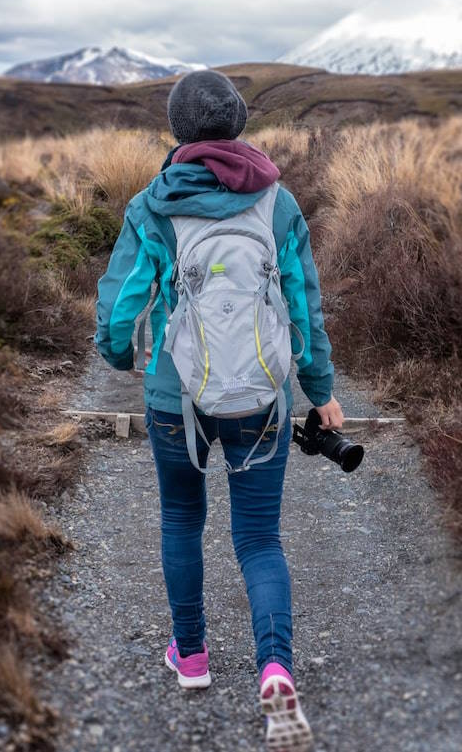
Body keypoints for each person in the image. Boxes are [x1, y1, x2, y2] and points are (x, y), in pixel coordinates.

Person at [95, 69, 338, 752]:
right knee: (260, 538)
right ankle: (274, 667)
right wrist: (320, 390)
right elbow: (303, 308)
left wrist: (122, 359)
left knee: (181, 517)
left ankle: (193, 657)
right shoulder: (279, 202)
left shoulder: (152, 205)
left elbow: (120, 311)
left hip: (178, 397)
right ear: (236, 123)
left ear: (178, 130)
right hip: (261, 396)